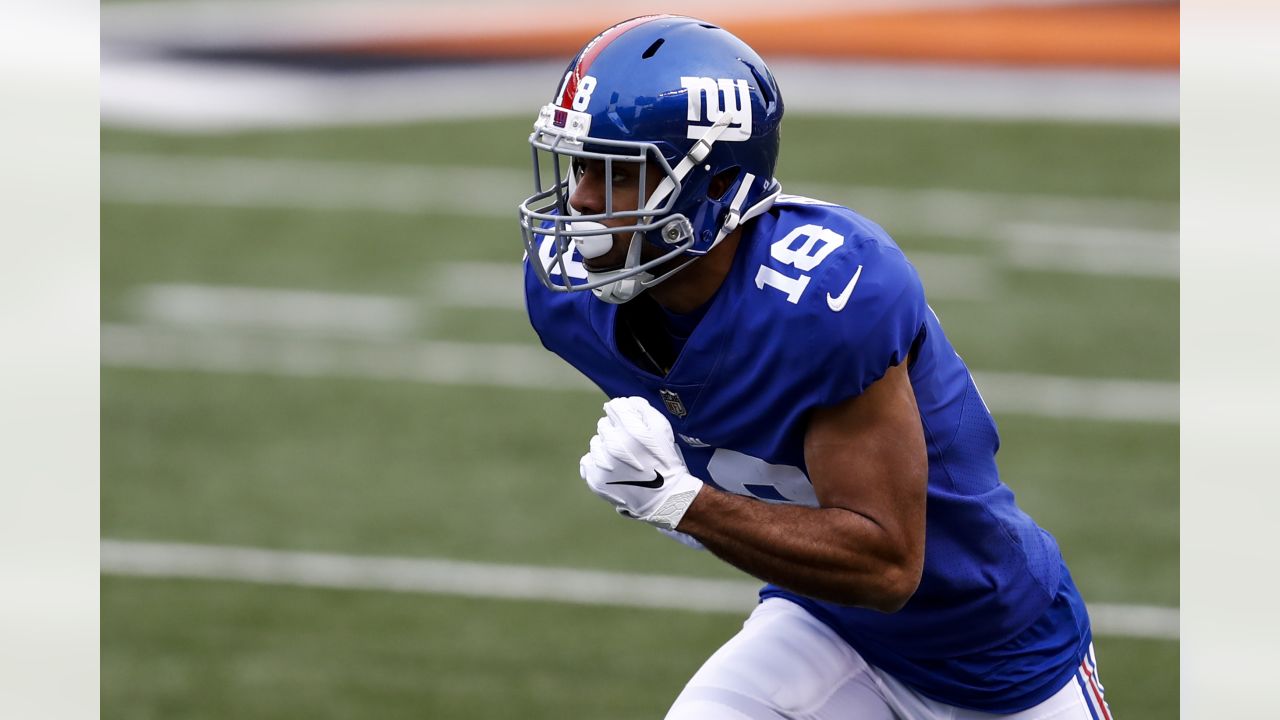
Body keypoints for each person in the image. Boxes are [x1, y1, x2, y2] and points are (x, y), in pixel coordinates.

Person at [518, 15, 1113, 720]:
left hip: (998, 652)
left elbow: (888, 565)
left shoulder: (824, 298)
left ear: (714, 186)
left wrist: (683, 502)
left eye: (616, 172)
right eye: (581, 166)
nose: (582, 199)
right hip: (827, 623)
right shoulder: (570, 301)